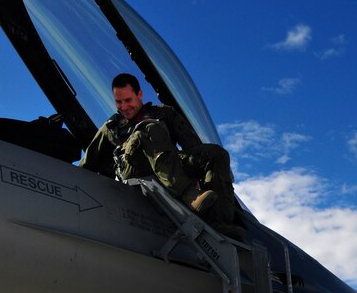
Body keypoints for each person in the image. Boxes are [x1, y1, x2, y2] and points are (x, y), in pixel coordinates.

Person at [79, 73, 240, 236]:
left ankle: (220, 222)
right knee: (149, 128)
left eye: (128, 100)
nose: (124, 107)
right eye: (119, 102)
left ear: (139, 95)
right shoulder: (111, 127)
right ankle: (189, 197)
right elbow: (88, 161)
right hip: (134, 171)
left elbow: (193, 147)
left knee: (215, 154)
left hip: (168, 166)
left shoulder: (164, 113)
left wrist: (198, 171)